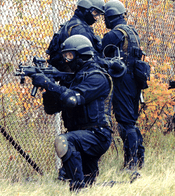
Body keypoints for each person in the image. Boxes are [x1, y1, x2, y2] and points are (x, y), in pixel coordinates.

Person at [31, 35, 113, 191]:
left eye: (69, 55)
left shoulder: (97, 77)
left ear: (81, 55)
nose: (66, 60)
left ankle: (77, 189)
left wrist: (50, 84)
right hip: (80, 134)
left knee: (64, 141)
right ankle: (83, 188)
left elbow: (72, 99)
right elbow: (51, 109)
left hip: (97, 134)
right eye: (65, 56)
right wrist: (48, 88)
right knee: (90, 184)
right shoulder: (73, 79)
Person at [102, 0, 147, 170]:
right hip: (134, 80)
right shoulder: (132, 32)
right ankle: (138, 160)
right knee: (130, 121)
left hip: (123, 80)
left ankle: (131, 164)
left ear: (110, 17)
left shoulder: (115, 35)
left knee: (126, 122)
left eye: (105, 17)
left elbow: (100, 53)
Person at [46, 0, 105, 71]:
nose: (97, 17)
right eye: (95, 12)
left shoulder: (70, 24)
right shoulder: (80, 30)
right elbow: (89, 59)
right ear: (85, 10)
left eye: (99, 14)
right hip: (76, 76)